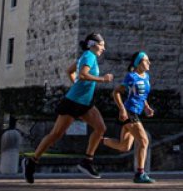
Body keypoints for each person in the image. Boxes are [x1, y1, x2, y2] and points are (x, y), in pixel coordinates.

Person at [23, 33, 114, 183]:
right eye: (102, 45)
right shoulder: (89, 56)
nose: (104, 48)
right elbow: (83, 75)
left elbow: (70, 71)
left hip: (85, 102)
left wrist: (77, 86)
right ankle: (32, 161)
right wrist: (102, 79)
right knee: (55, 135)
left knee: (100, 128)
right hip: (73, 102)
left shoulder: (86, 56)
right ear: (93, 45)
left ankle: (87, 161)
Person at [102, 51, 156, 184]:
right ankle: (140, 174)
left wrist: (146, 107)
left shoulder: (146, 77)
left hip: (135, 113)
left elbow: (141, 95)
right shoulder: (131, 76)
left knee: (124, 147)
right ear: (138, 63)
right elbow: (116, 92)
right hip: (129, 112)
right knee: (144, 141)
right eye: (146, 60)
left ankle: (99, 140)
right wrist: (122, 109)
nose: (149, 62)